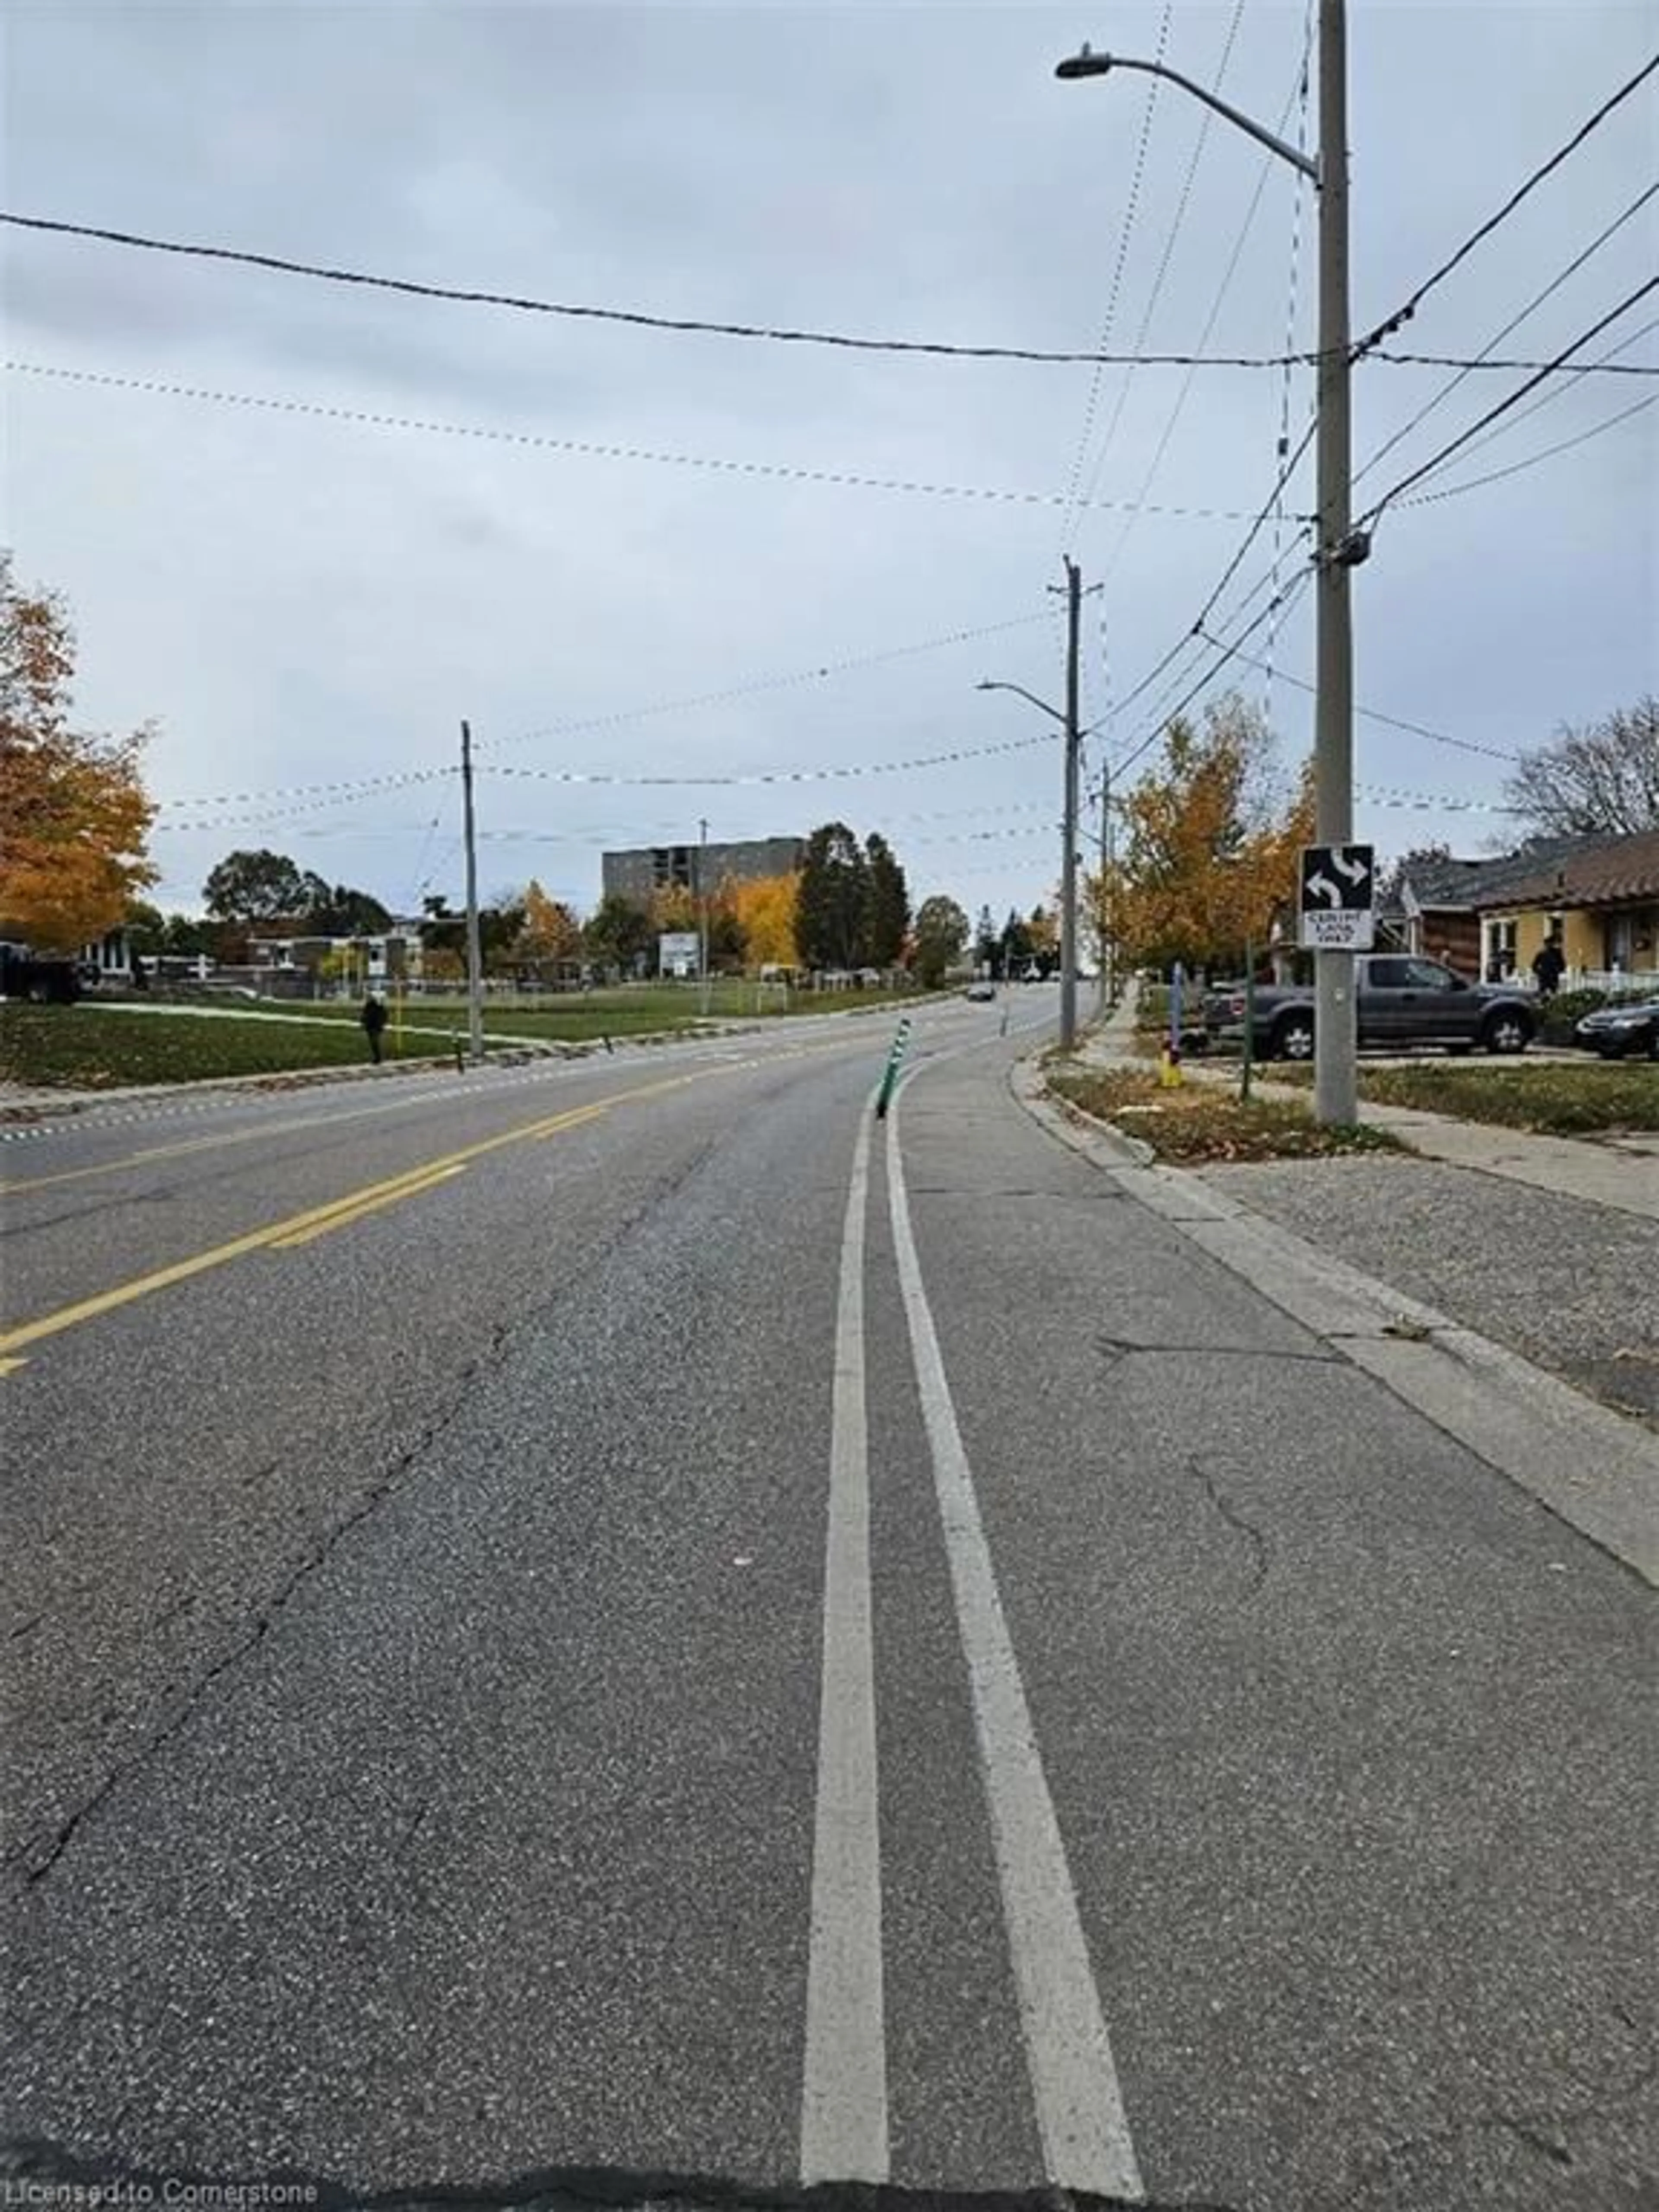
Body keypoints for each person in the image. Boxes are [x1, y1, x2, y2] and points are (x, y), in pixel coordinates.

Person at [1531, 932, 1565, 1001]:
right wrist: (1539, 972)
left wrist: (1558, 970)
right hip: (1544, 977)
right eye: (1547, 944)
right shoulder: (1541, 954)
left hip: (1553, 977)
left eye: (1551, 944)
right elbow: (1534, 966)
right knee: (1543, 993)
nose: (1549, 946)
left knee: (1554, 994)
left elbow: (1563, 965)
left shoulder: (1557, 953)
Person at [361, 991, 388, 1064]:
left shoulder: (379, 1008)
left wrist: (380, 1025)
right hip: (370, 1027)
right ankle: (377, 1057)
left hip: (376, 1027)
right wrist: (363, 1022)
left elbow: (383, 1017)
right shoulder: (368, 1007)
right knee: (373, 1043)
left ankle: (378, 1058)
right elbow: (364, 1015)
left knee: (375, 1042)